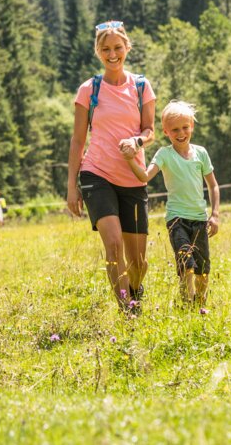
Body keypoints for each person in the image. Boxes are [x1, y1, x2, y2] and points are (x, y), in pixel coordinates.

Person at [67, 21, 156, 314]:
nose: (112, 54)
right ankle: (126, 310)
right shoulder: (88, 90)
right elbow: (78, 140)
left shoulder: (141, 86)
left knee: (138, 261)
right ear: (98, 52)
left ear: (127, 48)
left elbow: (150, 130)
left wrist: (137, 142)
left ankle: (134, 290)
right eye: (106, 49)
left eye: (118, 47)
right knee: (114, 245)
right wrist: (72, 187)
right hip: (97, 174)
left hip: (133, 176)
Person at [123, 100, 220, 305]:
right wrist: (131, 159)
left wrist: (215, 214)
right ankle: (187, 306)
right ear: (166, 132)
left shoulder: (201, 153)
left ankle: (199, 307)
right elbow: (145, 176)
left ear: (192, 126)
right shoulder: (164, 154)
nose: (181, 133)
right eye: (175, 129)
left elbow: (213, 186)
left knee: (203, 271)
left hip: (200, 219)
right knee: (186, 265)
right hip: (177, 220)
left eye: (185, 127)